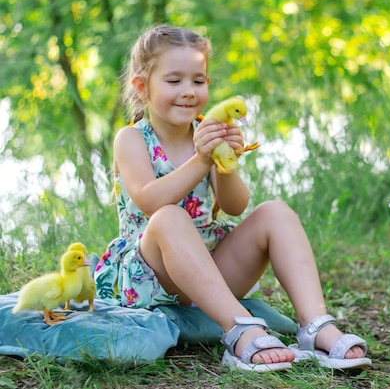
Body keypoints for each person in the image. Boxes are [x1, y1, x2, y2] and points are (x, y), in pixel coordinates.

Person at [93, 24, 371, 372]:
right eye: (174, 80)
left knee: (276, 212)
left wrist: (226, 165)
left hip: (208, 269)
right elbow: (151, 201)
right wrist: (202, 159)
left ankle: (315, 325)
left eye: (199, 80)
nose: (188, 91)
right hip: (153, 278)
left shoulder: (205, 133)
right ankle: (239, 329)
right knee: (169, 217)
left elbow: (236, 206)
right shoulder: (131, 139)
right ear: (141, 87)